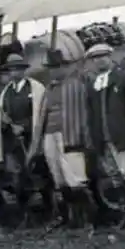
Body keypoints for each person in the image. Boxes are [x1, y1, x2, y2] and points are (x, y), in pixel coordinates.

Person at [86, 43, 125, 230]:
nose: (100, 61)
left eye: (103, 57)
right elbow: (91, 113)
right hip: (103, 139)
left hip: (123, 137)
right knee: (116, 178)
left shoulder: (123, 79)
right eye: (96, 58)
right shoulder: (93, 85)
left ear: (110, 57)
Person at [0, 53, 53, 227]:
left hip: (33, 140)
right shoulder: (6, 92)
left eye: (18, 69)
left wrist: (24, 127)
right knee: (18, 180)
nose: (15, 72)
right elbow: (2, 117)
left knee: (40, 176)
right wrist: (4, 123)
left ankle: (50, 211)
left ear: (24, 70)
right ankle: (25, 216)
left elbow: (41, 114)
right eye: (11, 70)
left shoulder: (36, 89)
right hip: (13, 143)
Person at [40, 49, 94, 232]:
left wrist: (84, 135)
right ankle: (69, 217)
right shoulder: (49, 88)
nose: (55, 71)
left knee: (75, 176)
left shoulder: (75, 84)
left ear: (65, 67)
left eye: (58, 67)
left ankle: (87, 219)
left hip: (70, 134)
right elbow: (43, 114)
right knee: (58, 176)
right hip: (50, 134)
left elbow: (84, 111)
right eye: (52, 68)